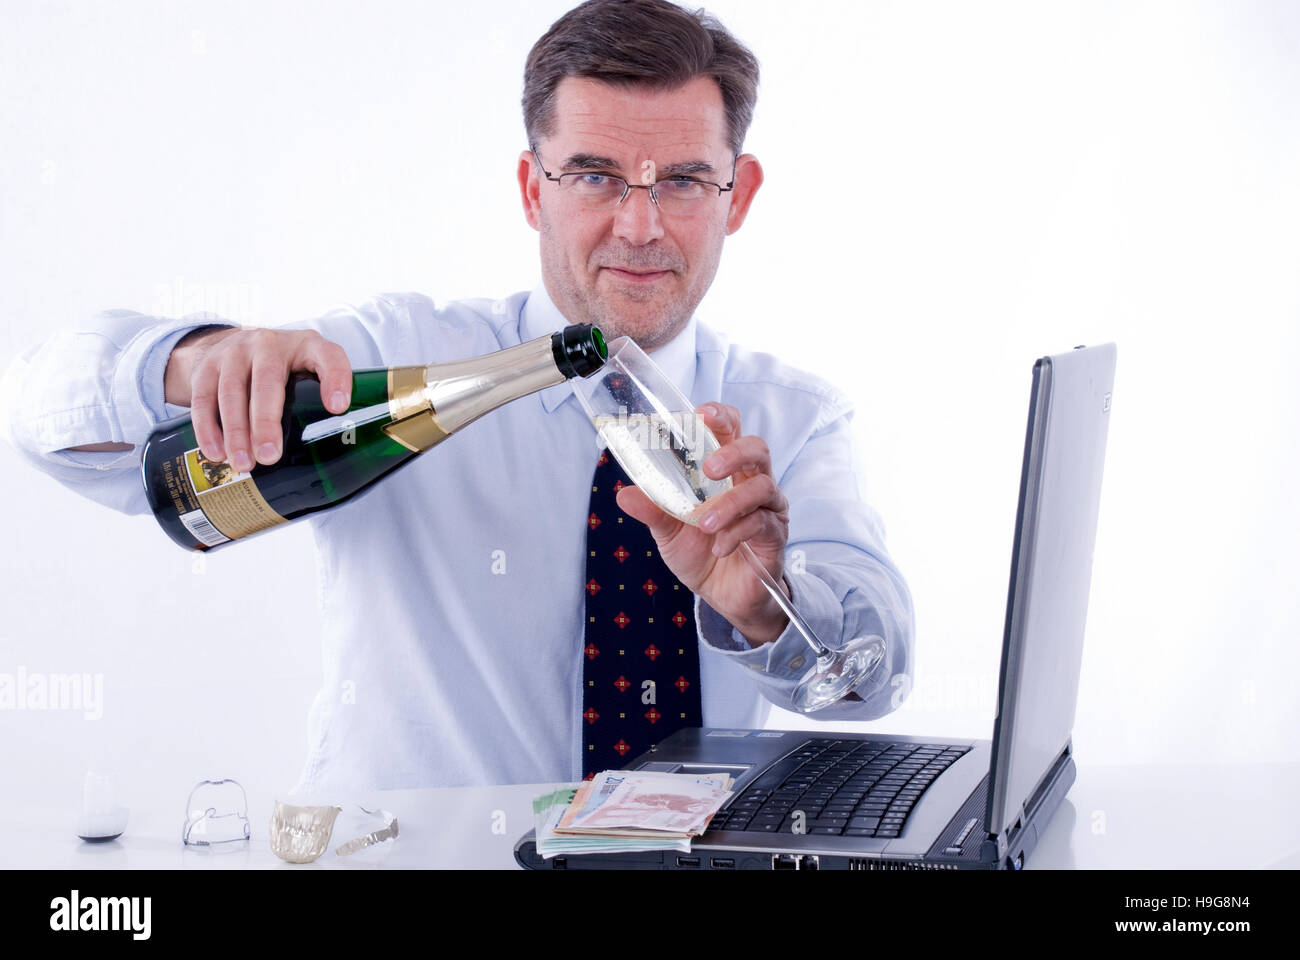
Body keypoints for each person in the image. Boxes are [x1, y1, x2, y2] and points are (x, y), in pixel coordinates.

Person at [2, 0, 913, 793]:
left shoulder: (792, 421)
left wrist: (767, 607)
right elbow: (43, 420)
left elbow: (882, 671)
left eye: (680, 181)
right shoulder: (392, 359)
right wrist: (194, 362)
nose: (639, 226)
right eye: (594, 175)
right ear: (531, 189)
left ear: (737, 195)